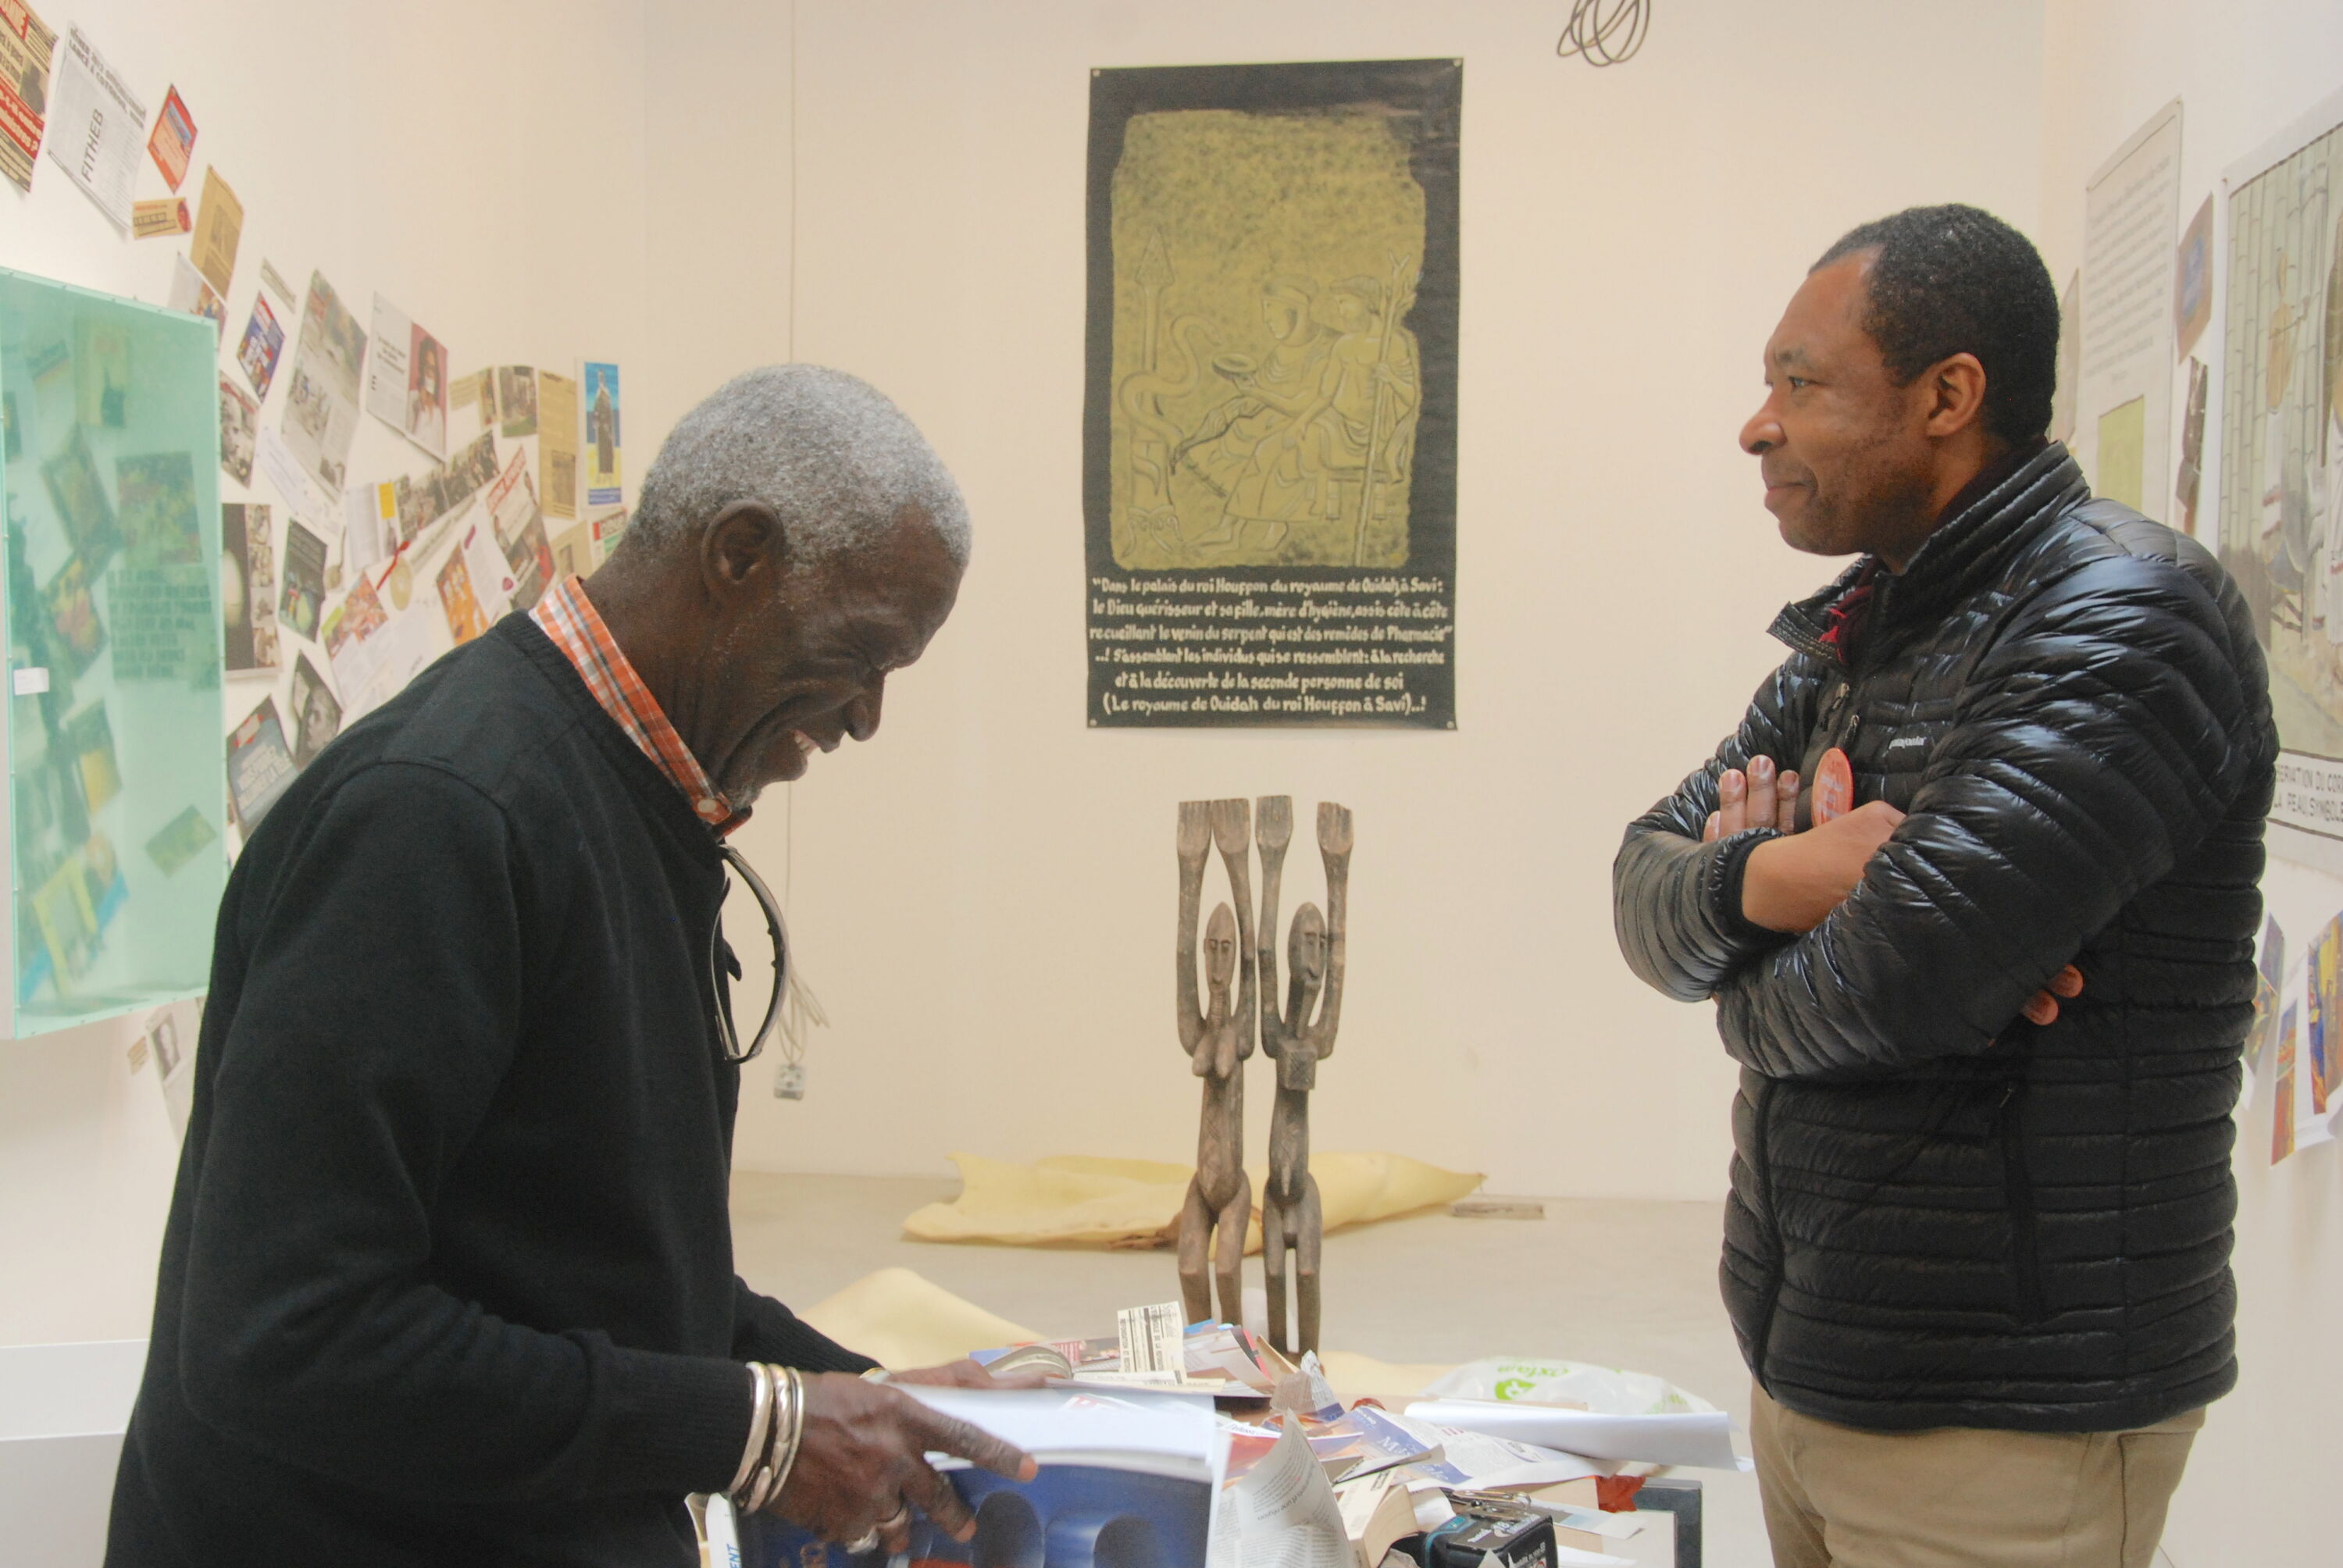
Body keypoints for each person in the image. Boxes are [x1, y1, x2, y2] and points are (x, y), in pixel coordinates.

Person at [109, 365, 1038, 1566]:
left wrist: (853, 1396)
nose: (864, 718)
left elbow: (588, 1269)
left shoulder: (639, 804)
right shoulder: (440, 817)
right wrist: (758, 1431)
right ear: (738, 558)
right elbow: (288, 1340)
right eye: (862, 656)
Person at [1613, 206, 2275, 1568]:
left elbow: (1905, 981)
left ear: (1947, 397)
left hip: (2008, 1415)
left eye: (1802, 385)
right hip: (1820, 1362)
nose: (1759, 426)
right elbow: (1640, 887)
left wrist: (1741, 974)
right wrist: (1785, 876)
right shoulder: (1864, 631)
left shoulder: (2124, 615)